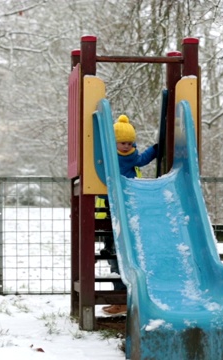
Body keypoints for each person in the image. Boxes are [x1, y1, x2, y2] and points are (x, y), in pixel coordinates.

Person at [101, 114, 158, 315]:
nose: (126, 146)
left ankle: (123, 300)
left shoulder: (130, 155)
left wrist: (154, 150)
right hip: (116, 203)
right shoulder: (109, 156)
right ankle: (121, 300)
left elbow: (142, 160)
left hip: (127, 203)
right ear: (113, 142)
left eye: (129, 142)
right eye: (122, 142)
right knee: (115, 255)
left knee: (120, 256)